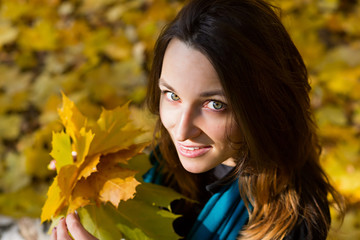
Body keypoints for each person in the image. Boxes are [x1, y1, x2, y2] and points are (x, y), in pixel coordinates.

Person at [51, 0, 345, 239]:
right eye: (172, 95)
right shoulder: (160, 164)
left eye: (215, 104)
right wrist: (92, 180)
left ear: (264, 106)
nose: (181, 129)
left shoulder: (292, 222)